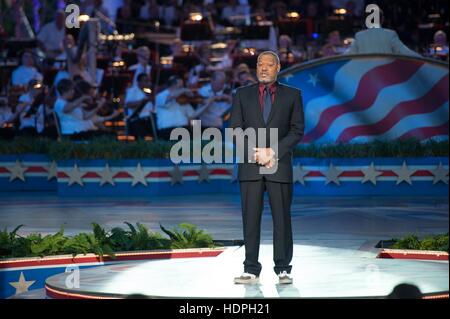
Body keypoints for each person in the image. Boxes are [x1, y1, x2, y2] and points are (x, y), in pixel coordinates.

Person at [229, 51, 304, 285]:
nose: (263, 68)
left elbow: (296, 130)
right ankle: (251, 268)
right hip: (250, 167)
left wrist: (272, 152)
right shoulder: (242, 95)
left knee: (282, 218)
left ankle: (283, 268)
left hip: (278, 165)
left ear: (278, 67)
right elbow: (235, 129)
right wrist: (256, 153)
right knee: (250, 218)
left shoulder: (293, 95)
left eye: (268, 65)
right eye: (260, 64)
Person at [345, 9, 421, 57]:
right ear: (382, 20)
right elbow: (406, 53)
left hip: (366, 78)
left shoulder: (359, 36)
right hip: (385, 78)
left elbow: (347, 56)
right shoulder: (390, 34)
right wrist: (425, 60)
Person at [124, 73, 155, 139]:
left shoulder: (147, 91)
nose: (147, 83)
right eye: (145, 81)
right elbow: (128, 105)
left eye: (148, 81)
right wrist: (142, 101)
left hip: (149, 118)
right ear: (139, 82)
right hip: (137, 119)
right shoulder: (132, 91)